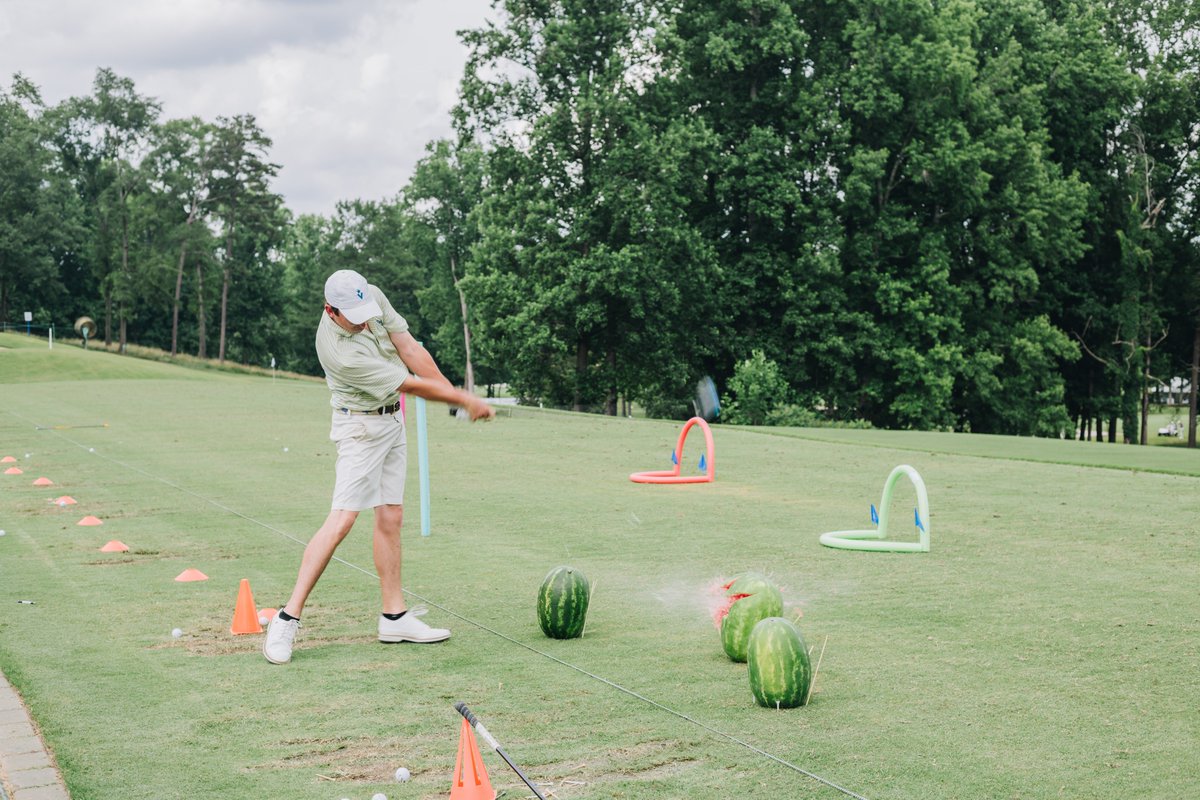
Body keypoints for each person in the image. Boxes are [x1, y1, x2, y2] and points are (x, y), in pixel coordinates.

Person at [263, 269, 494, 664]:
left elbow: (410, 349)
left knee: (391, 516)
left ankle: (394, 616)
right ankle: (287, 618)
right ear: (330, 311)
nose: (364, 318)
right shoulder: (340, 352)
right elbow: (409, 383)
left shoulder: (369, 297)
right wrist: (462, 399)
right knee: (342, 521)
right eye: (354, 314)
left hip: (391, 421)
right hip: (360, 429)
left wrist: (456, 398)